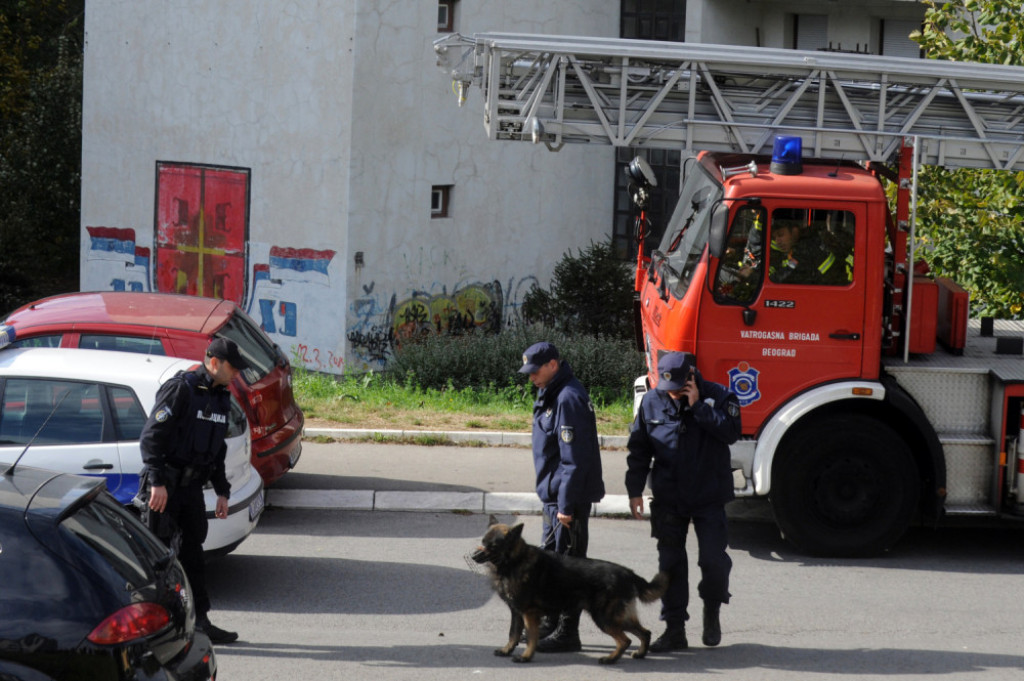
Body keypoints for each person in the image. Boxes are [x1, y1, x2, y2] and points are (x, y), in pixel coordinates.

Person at [626, 351, 741, 652]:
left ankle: (712, 610)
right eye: (668, 388)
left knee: (713, 562)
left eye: (678, 387)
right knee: (671, 564)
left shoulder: (719, 396)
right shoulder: (652, 400)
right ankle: (675, 628)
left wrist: (698, 407)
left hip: (709, 494)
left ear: (691, 377)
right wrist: (634, 490)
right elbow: (639, 449)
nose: (672, 394)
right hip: (669, 496)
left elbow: (731, 433)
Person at [139, 337, 248, 645]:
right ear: (214, 362)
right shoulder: (181, 389)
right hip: (166, 488)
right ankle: (152, 628)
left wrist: (223, 490)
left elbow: (216, 448)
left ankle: (201, 621)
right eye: (233, 368)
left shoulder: (220, 398)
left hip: (191, 491)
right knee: (158, 559)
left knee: (193, 557)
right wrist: (157, 482)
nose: (237, 374)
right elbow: (151, 437)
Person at [518, 341, 605, 653]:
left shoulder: (568, 397)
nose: (531, 377)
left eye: (535, 371)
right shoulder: (553, 391)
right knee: (554, 565)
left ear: (553, 364)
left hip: (566, 501)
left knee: (569, 569)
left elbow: (573, 459)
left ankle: (568, 633)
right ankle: (551, 623)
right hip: (555, 497)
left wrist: (566, 507)